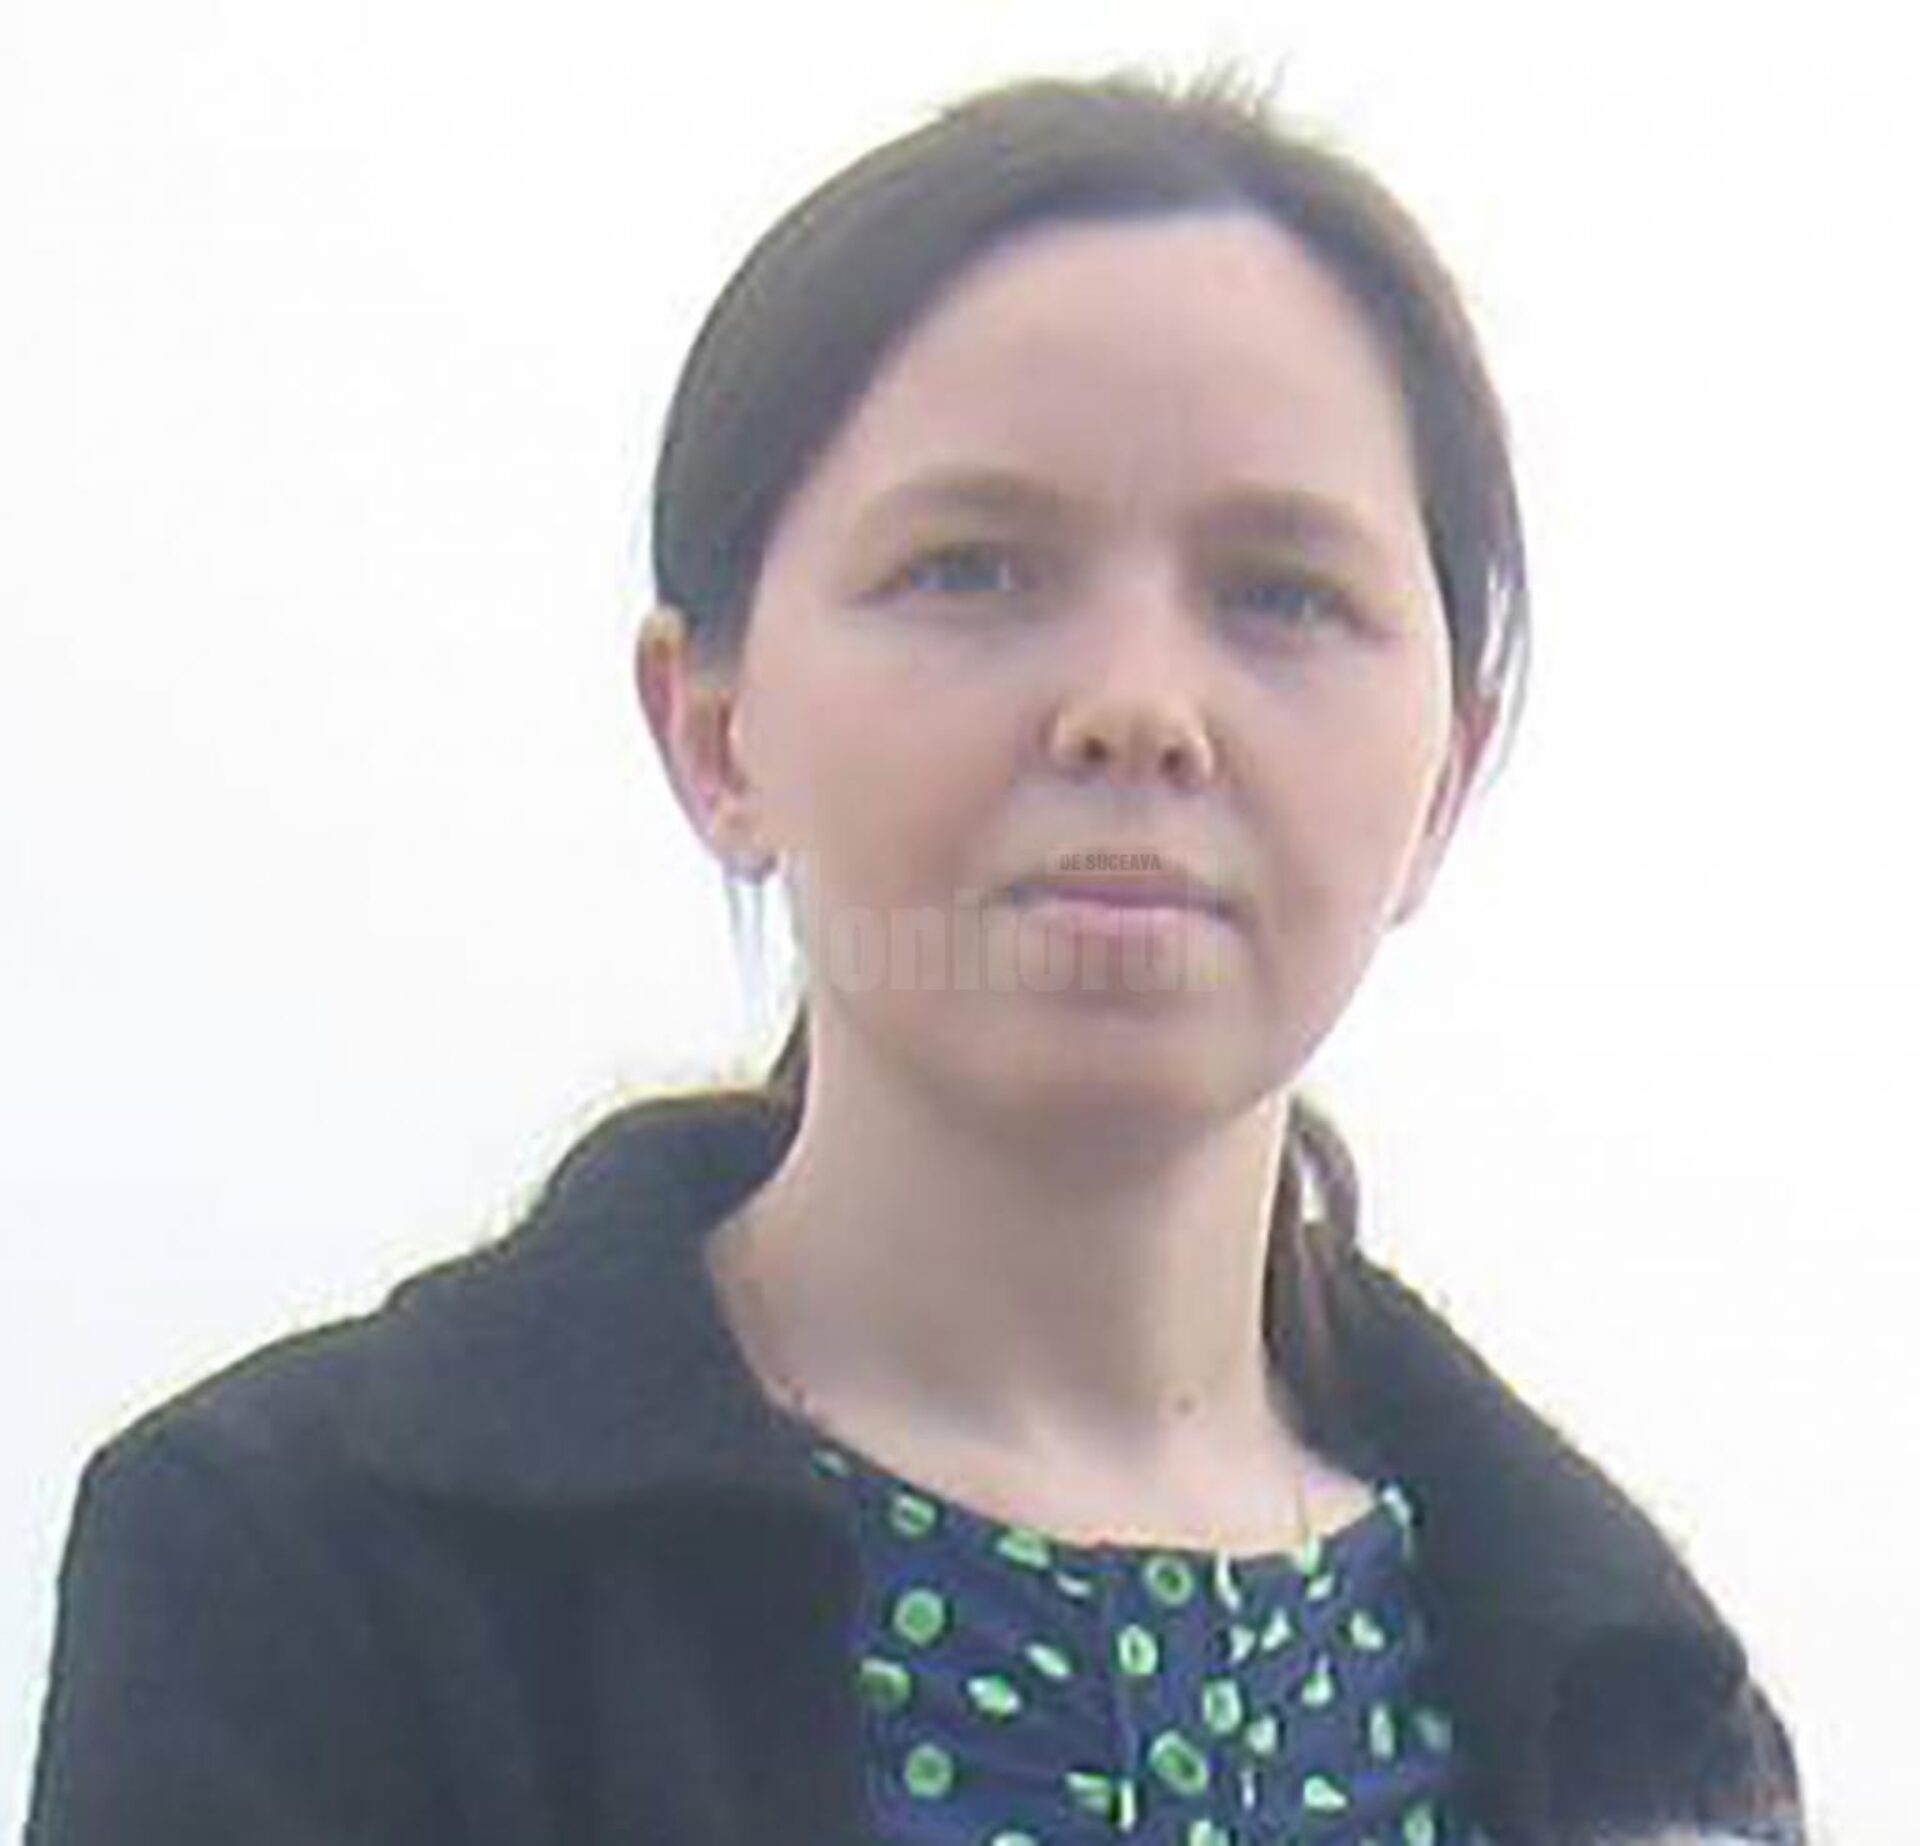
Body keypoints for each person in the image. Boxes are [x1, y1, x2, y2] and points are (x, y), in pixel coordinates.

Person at [24, 65, 1806, 1846]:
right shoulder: (307, 1576)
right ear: (713, 729)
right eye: (974, 570)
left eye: (1281, 593)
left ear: (1446, 780)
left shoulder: (1643, 1714)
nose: (1137, 705)